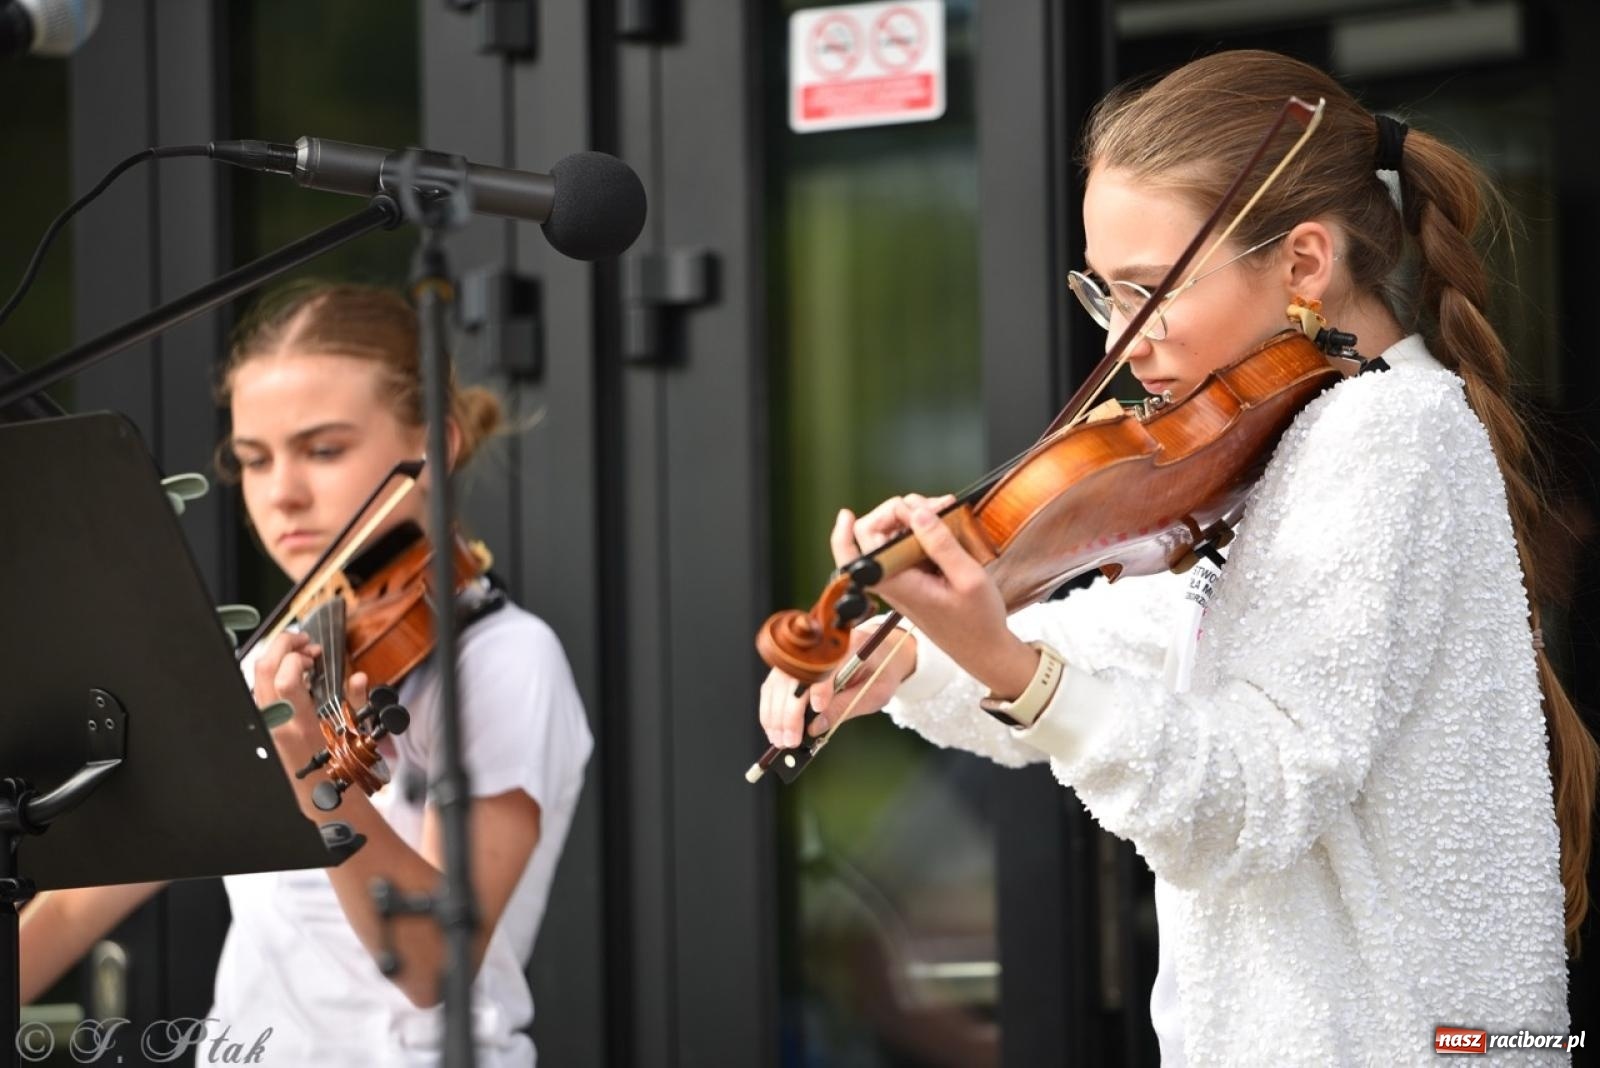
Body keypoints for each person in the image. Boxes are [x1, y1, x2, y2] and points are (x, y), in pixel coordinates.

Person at [759, 50, 1596, 1065]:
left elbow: (1251, 799)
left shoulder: (1388, 435)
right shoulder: (1293, 440)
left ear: (1303, 264)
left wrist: (1006, 664)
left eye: (1149, 293)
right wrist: (908, 656)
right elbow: (1143, 639)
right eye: (1103, 294)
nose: (1122, 341)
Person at [21, 282, 593, 1067]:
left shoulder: (500, 661)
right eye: (254, 460)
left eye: (323, 450)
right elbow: (75, 911)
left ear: (436, 445)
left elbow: (432, 963)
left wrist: (313, 768)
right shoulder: (270, 659)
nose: (281, 494)